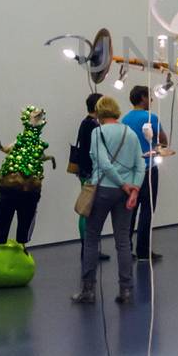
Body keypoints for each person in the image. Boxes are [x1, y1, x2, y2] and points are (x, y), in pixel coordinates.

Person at [74, 96, 143, 304]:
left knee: (92, 238)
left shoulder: (98, 132)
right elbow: (140, 165)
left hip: (103, 190)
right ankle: (126, 290)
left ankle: (88, 290)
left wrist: (122, 184)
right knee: (123, 241)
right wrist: (133, 190)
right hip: (125, 194)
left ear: (99, 112)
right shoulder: (130, 133)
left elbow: (103, 164)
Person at [121, 85, 171, 262]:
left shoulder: (124, 119)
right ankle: (143, 251)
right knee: (147, 210)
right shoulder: (150, 117)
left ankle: (126, 249)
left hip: (130, 171)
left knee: (130, 211)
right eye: (149, 97)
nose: (151, 100)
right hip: (149, 169)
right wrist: (159, 148)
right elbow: (163, 140)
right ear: (142, 97)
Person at [0, 106, 50, 247]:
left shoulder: (35, 144)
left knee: (25, 216)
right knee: (4, 214)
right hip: (14, 186)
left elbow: (40, 156)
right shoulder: (23, 143)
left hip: (28, 187)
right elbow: (10, 148)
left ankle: (19, 243)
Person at [67, 93, 107, 262]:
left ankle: (88, 247)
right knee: (87, 210)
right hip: (90, 172)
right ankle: (88, 247)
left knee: (86, 209)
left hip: (84, 171)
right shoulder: (92, 126)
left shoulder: (86, 123)